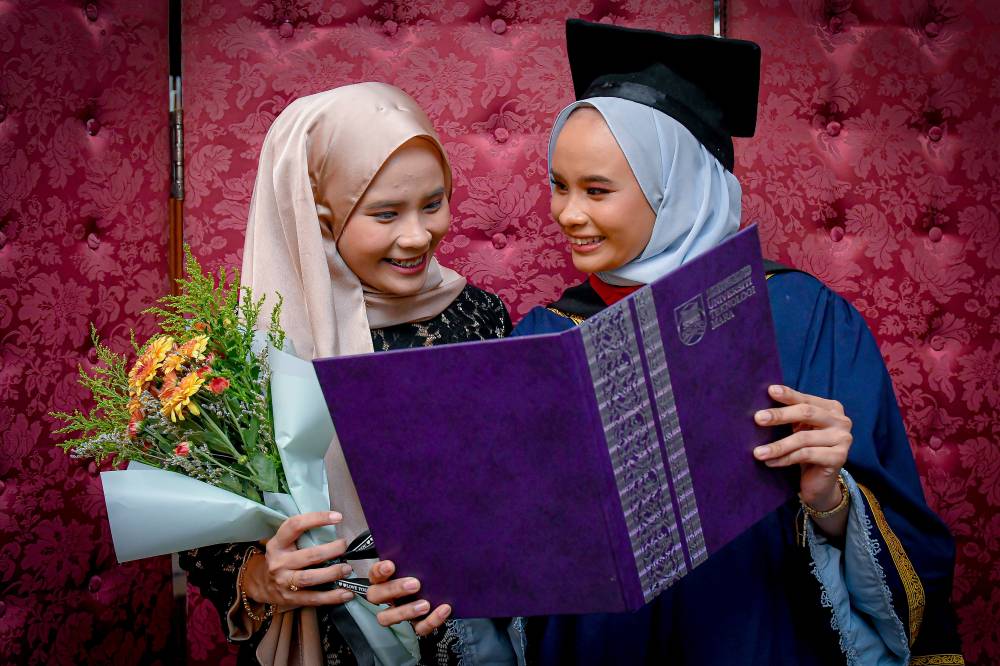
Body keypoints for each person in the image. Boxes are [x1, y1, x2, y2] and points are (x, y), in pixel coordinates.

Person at [507, 19, 963, 665]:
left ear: (678, 190)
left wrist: (831, 498)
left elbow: (904, 538)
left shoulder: (804, 319)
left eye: (598, 190)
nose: (567, 214)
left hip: (759, 635)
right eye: (559, 184)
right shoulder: (544, 337)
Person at [179, 83, 522, 666]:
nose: (417, 236)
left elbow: (516, 486)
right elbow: (203, 537)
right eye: (385, 213)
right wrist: (266, 576)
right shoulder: (245, 353)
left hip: (464, 635)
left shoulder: (476, 314)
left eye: (433, 203)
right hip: (329, 642)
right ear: (320, 217)